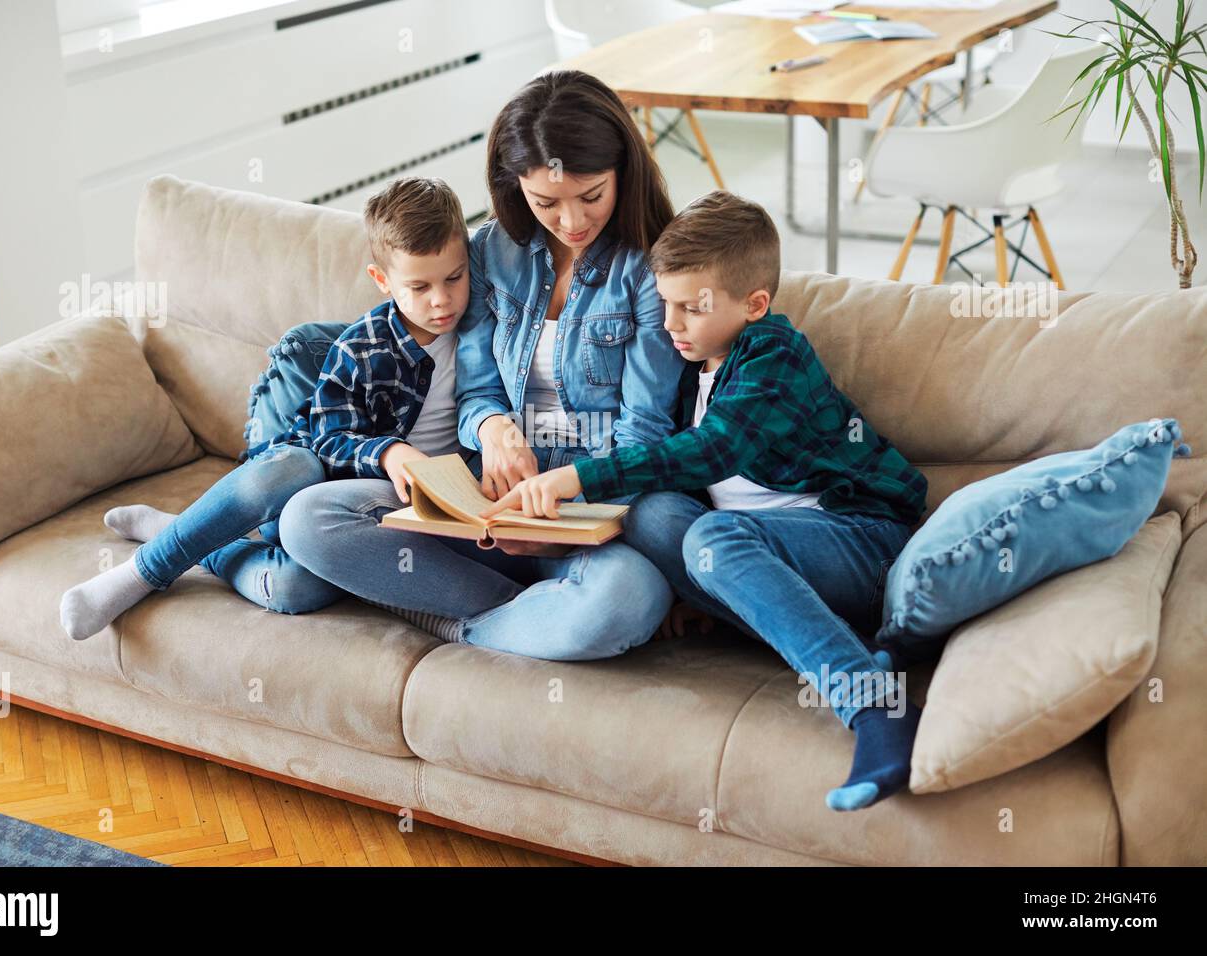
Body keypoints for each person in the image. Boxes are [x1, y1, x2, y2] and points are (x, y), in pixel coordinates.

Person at [483, 190, 930, 810]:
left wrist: (575, 479)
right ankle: (773, 621)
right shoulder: (698, 361)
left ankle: (873, 704)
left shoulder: (774, 354)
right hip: (773, 555)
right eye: (665, 304)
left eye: (691, 308)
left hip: (860, 543)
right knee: (653, 511)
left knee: (713, 537)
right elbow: (678, 476)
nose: (670, 325)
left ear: (755, 304)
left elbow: (712, 451)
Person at [276, 70, 686, 661]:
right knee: (310, 517)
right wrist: (494, 431)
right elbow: (476, 393)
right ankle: (524, 612)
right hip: (487, 499)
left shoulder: (650, 269)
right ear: (513, 185)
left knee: (630, 597)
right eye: (546, 202)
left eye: (591, 195)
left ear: (623, 169)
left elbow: (643, 433)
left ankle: (462, 624)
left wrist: (558, 504)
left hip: (587, 510)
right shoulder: (490, 252)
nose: (571, 222)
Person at [58, 176, 470, 639]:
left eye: (454, 277)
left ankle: (190, 536)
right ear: (382, 281)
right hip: (311, 484)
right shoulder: (361, 347)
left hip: (373, 517)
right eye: (419, 287)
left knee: (296, 589)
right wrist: (389, 453)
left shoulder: (486, 329)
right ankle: (141, 572)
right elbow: (330, 438)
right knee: (290, 466)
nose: (442, 299)